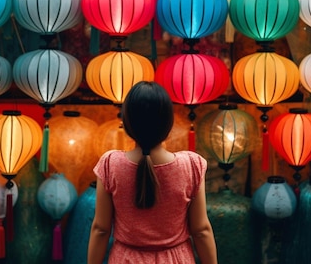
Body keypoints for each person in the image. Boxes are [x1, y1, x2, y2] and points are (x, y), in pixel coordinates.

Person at [88, 81, 218, 264]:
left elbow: (101, 229)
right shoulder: (191, 165)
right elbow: (201, 230)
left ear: (127, 122)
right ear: (168, 123)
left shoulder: (111, 164)